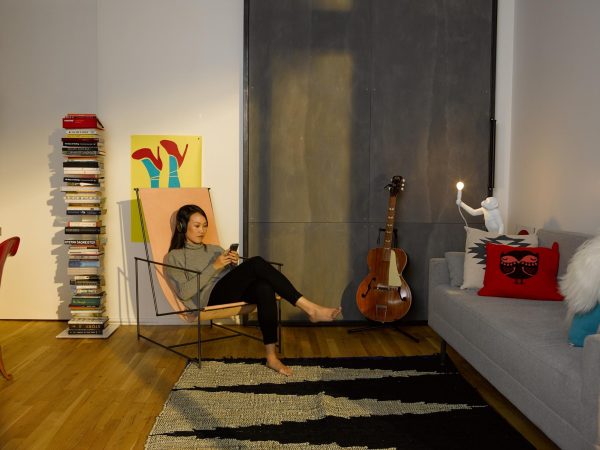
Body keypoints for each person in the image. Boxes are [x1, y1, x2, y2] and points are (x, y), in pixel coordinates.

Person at [165, 204, 342, 376]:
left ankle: (271, 357)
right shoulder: (173, 257)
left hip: (228, 293)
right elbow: (184, 292)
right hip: (209, 299)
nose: (202, 230)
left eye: (204, 226)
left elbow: (233, 279)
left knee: (264, 287)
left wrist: (232, 265)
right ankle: (310, 308)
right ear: (182, 226)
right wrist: (215, 266)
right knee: (256, 262)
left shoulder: (214, 249)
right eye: (196, 226)